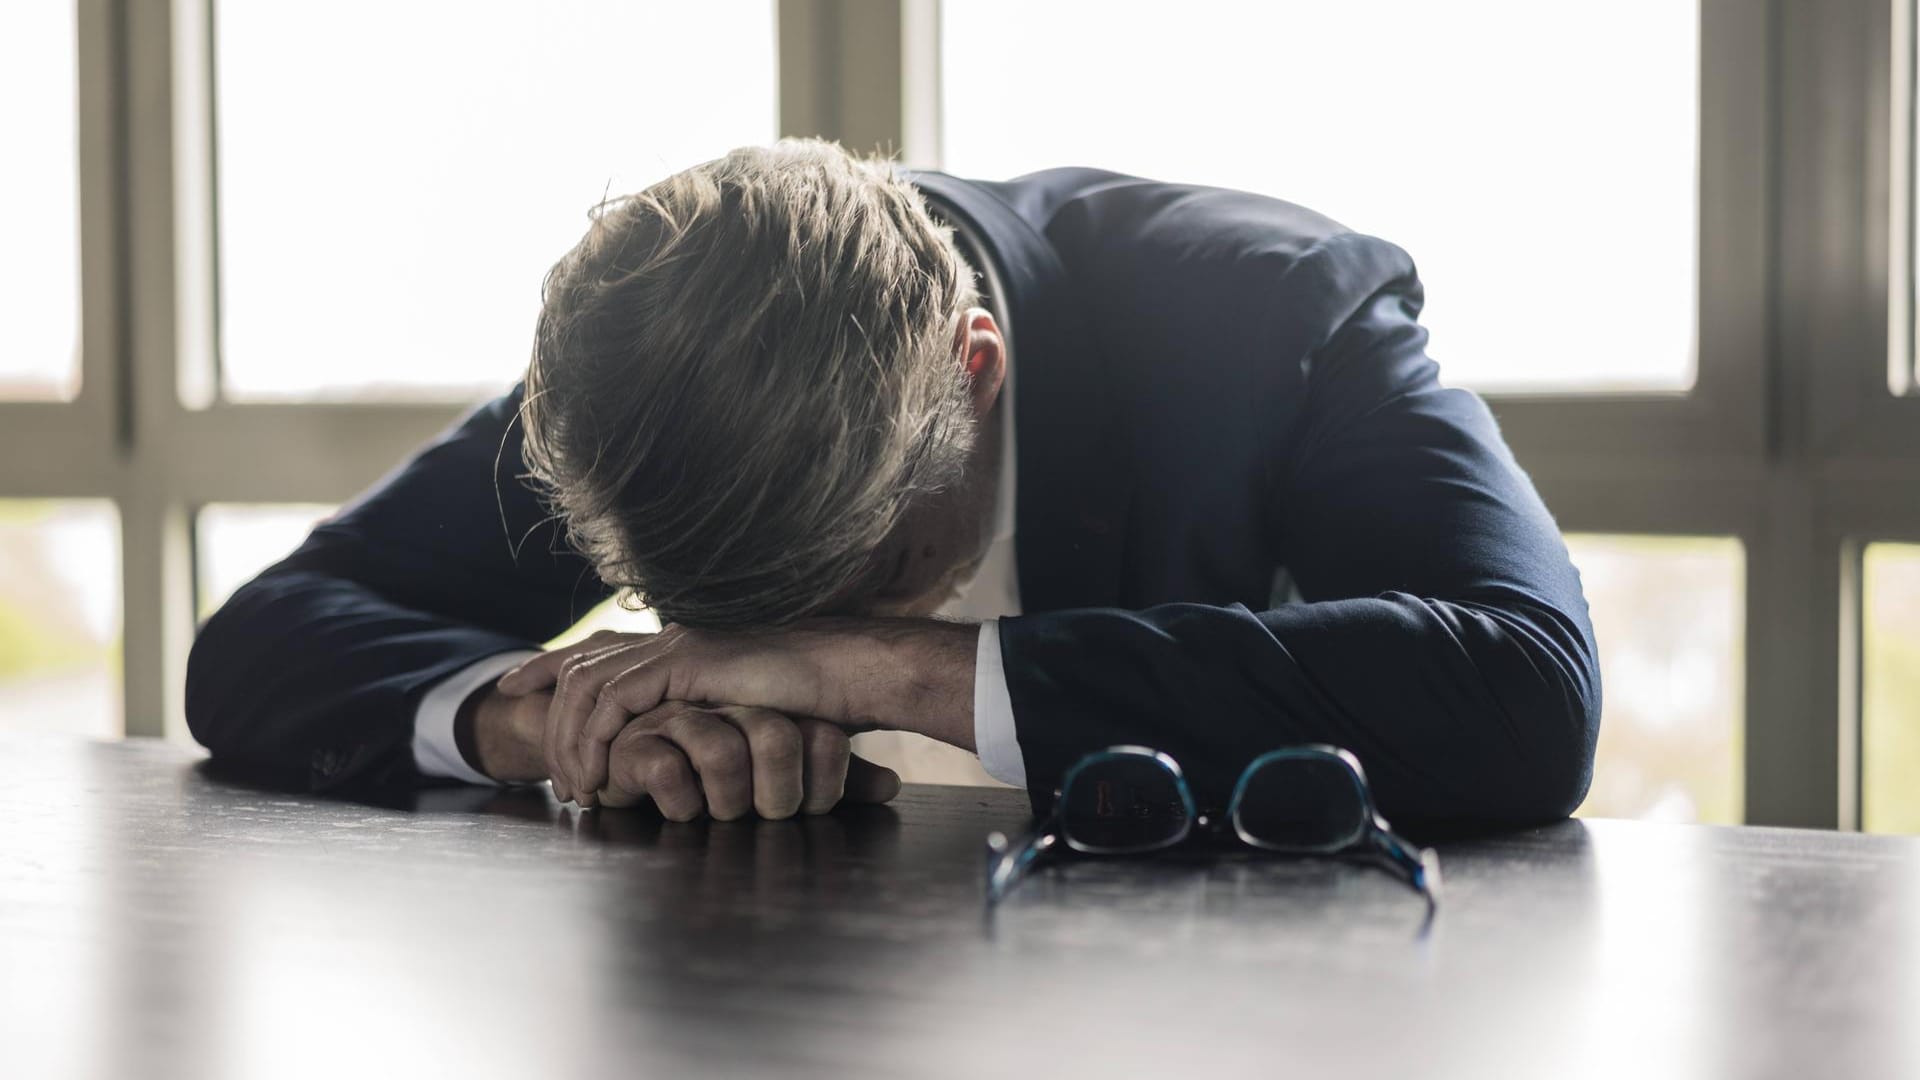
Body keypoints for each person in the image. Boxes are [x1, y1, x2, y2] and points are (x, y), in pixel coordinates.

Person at [186, 140, 1601, 825]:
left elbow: (1525, 691)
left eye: (846, 573)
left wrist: (873, 667)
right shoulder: (666, 369)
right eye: (709, 615)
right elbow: (265, 641)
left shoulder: (1276, 319)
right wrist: (538, 715)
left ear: (973, 369)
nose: (746, 654)